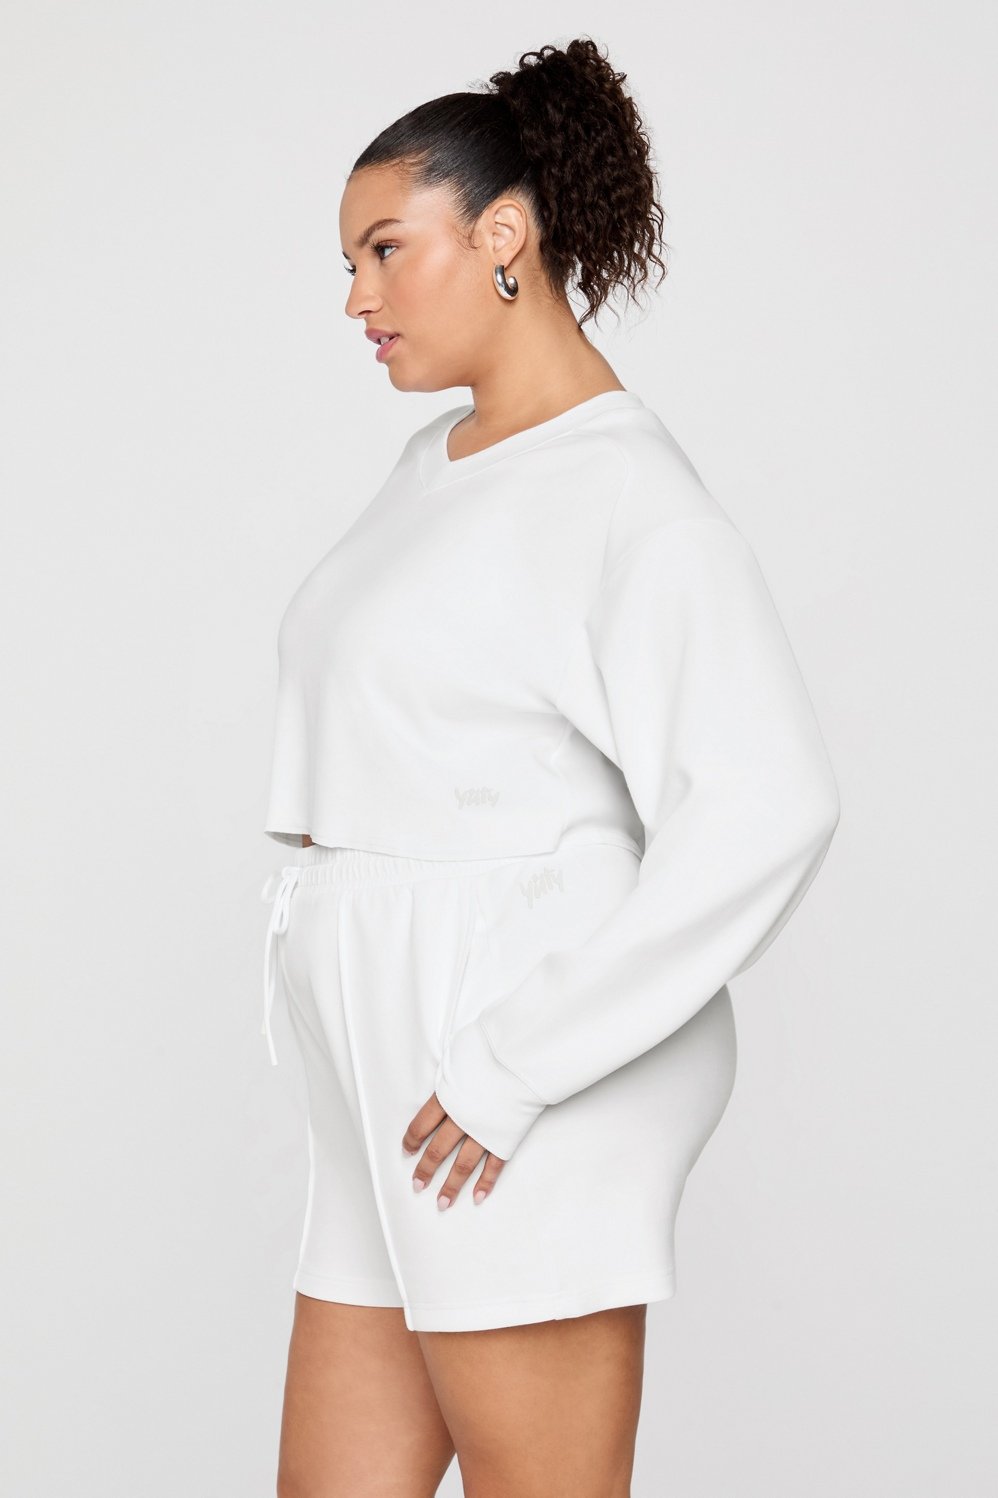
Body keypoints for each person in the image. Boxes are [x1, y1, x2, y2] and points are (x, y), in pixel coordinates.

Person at [259, 36, 841, 1498]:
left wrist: (511, 1062)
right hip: (380, 1062)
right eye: (350, 263)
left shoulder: (628, 493)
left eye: (385, 250)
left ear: (503, 234)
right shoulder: (438, 464)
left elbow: (769, 802)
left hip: (500, 1058)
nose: (356, 298)